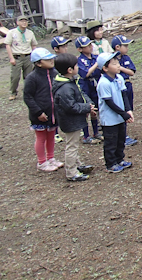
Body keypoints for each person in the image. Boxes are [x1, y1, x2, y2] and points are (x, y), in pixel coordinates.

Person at [53, 53, 96, 181]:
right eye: (76, 65)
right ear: (69, 70)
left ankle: (77, 165)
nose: (78, 67)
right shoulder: (65, 88)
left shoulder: (71, 81)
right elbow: (70, 106)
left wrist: (89, 104)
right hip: (70, 122)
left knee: (74, 144)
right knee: (72, 146)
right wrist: (86, 108)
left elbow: (81, 94)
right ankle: (71, 172)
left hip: (75, 120)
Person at [23, 48, 62, 172]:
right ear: (38, 63)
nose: (51, 61)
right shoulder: (32, 78)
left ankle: (51, 158)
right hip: (40, 114)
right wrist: (38, 112)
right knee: (41, 138)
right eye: (47, 59)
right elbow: (27, 97)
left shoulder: (54, 73)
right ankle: (41, 162)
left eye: (51, 58)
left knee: (51, 136)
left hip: (53, 113)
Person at [96, 52, 134, 173]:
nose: (118, 65)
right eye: (114, 64)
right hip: (109, 118)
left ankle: (120, 159)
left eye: (117, 62)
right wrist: (123, 114)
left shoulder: (119, 78)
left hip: (120, 117)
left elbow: (124, 95)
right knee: (111, 142)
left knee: (120, 139)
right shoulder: (103, 83)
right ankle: (111, 163)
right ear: (105, 68)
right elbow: (109, 102)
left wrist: (128, 110)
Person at [112, 35, 138, 147]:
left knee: (128, 108)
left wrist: (120, 68)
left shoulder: (126, 58)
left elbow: (132, 72)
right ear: (117, 47)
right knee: (120, 108)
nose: (127, 48)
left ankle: (124, 134)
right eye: (125, 45)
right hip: (117, 86)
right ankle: (122, 136)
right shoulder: (111, 59)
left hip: (127, 84)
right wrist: (119, 68)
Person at [75, 36, 102, 144]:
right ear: (80, 49)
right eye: (86, 46)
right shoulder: (79, 60)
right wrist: (97, 64)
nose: (90, 47)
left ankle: (96, 132)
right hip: (85, 85)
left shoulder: (95, 57)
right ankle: (86, 135)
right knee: (86, 109)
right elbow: (85, 73)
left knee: (95, 109)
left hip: (95, 83)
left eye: (90, 44)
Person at [5, 15, 37, 100]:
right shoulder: (12, 33)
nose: (24, 23)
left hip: (28, 56)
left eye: (25, 21)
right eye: (22, 21)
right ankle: (13, 92)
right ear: (17, 23)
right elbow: (7, 45)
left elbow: (33, 45)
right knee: (15, 77)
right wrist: (11, 58)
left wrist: (35, 57)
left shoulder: (30, 33)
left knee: (29, 76)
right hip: (17, 57)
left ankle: (28, 92)